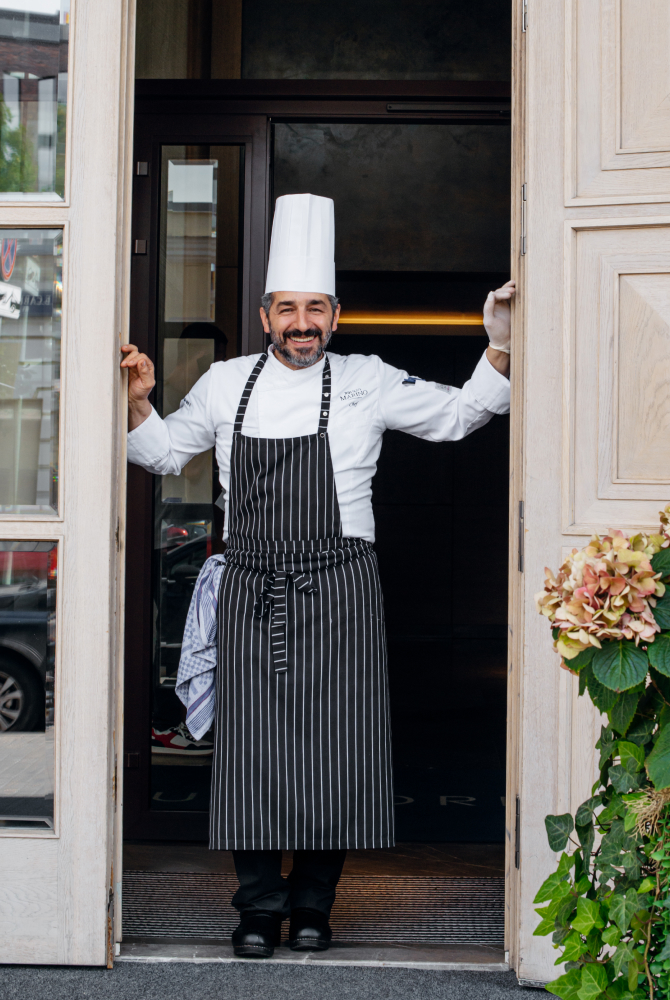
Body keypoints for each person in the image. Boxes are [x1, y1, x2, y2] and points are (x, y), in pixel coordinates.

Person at [121, 193, 513, 958]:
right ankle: (257, 908)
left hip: (340, 586)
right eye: (287, 309)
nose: (301, 323)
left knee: (336, 750)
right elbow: (163, 454)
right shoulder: (226, 382)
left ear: (336, 315)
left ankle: (313, 905)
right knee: (251, 752)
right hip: (251, 586)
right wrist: (137, 402)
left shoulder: (368, 379)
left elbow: (460, 416)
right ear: (265, 316)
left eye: (315, 309)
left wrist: (497, 342)